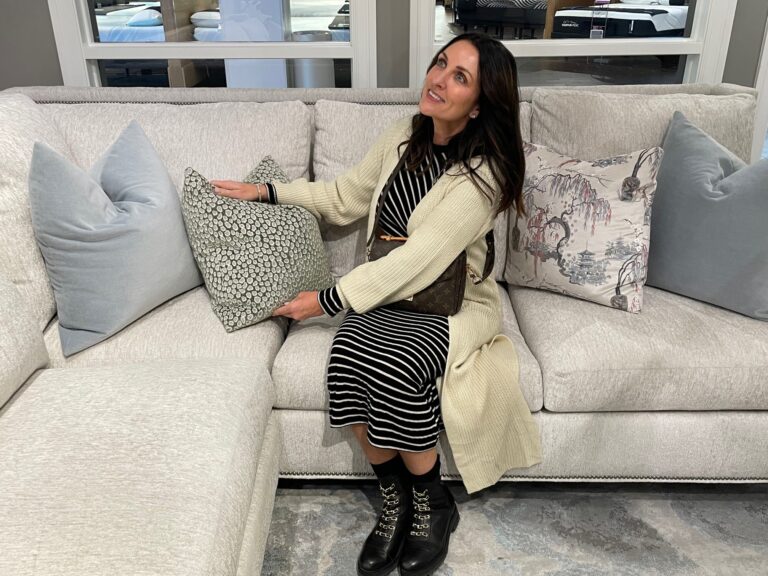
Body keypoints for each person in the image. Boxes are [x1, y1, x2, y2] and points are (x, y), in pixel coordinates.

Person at [213, 32, 541, 576]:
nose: (438, 79)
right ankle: (395, 501)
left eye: (460, 76)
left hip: (452, 305)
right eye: (441, 64)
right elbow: (344, 198)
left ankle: (432, 504)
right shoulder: (401, 136)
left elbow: (422, 258)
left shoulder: (487, 172)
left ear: (480, 102)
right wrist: (270, 192)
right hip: (387, 296)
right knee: (344, 363)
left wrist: (326, 300)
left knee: (397, 366)